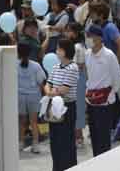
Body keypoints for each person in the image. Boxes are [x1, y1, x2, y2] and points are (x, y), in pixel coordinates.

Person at [84, 24, 120, 156]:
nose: (87, 39)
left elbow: (117, 79)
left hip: (105, 102)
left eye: (90, 36)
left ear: (99, 38)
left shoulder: (109, 55)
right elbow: (88, 76)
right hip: (91, 100)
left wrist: (109, 94)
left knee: (103, 138)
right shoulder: (87, 54)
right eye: (86, 36)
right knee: (93, 136)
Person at [45, 38, 79, 170]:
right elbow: (48, 83)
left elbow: (65, 88)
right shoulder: (55, 66)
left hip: (67, 107)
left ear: (65, 51)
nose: (56, 51)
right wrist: (50, 92)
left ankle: (68, 166)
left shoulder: (73, 67)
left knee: (66, 140)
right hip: (53, 107)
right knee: (55, 140)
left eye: (59, 49)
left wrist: (53, 92)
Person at [17, 42, 46, 155]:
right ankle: (35, 144)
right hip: (34, 96)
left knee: (22, 122)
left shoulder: (14, 64)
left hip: (19, 96)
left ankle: (20, 142)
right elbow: (41, 82)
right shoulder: (36, 65)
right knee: (33, 122)